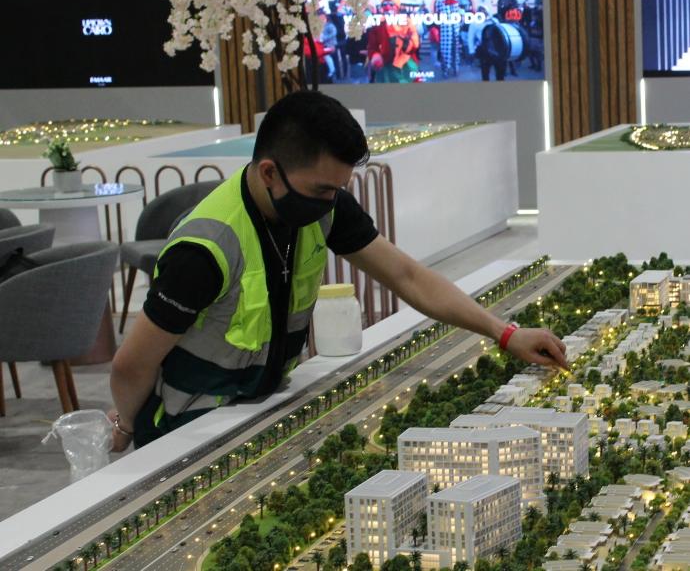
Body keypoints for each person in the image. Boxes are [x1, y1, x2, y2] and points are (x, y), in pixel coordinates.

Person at [108, 91, 568, 451]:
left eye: (338, 189)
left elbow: (407, 276)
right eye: (321, 189)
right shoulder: (206, 248)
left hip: (257, 408)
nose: (332, 201)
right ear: (269, 172)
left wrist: (505, 333)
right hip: (189, 427)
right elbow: (131, 365)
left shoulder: (322, 206)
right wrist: (126, 427)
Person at [367, 0, 420, 83]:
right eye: (384, 4)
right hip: (385, 67)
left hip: (405, 65)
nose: (387, 7)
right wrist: (375, 56)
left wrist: (407, 44)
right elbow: (372, 47)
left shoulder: (407, 22)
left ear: (397, 7)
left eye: (391, 4)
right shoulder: (377, 24)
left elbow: (415, 43)